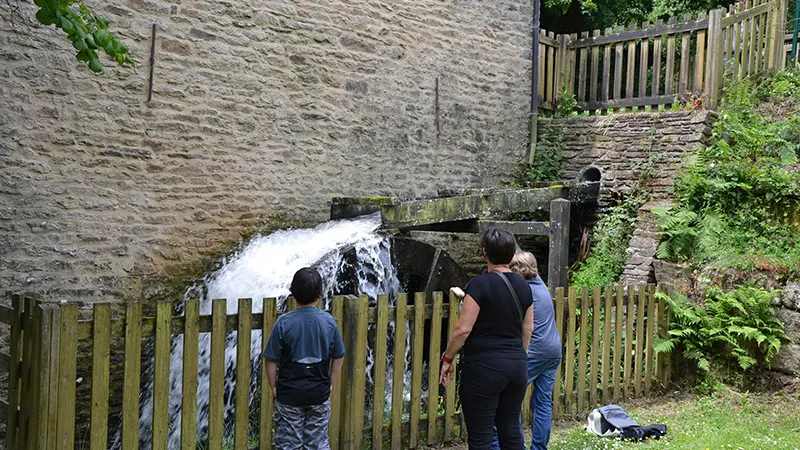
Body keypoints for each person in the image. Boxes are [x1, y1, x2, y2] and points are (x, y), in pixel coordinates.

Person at [440, 227, 534, 449]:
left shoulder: (478, 285)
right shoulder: (524, 286)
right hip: (517, 366)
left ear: (484, 253)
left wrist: (447, 359)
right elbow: (528, 329)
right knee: (511, 431)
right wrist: (516, 356)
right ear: (511, 254)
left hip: (483, 368)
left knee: (481, 436)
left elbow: (462, 329)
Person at [263, 267, 346, 450]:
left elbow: (270, 360)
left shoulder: (284, 322)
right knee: (317, 444)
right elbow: (339, 356)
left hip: (289, 394)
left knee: (288, 444)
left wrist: (274, 387)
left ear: (292, 292)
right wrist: (330, 383)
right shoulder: (328, 321)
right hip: (319, 393)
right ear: (320, 294)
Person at [489, 252, 562, 450]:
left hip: (534, 352)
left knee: (506, 401)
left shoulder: (522, 290)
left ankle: (509, 446)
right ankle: (539, 448)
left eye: (511, 270)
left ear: (518, 271)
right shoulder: (540, 284)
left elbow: (491, 297)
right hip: (553, 350)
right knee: (542, 403)